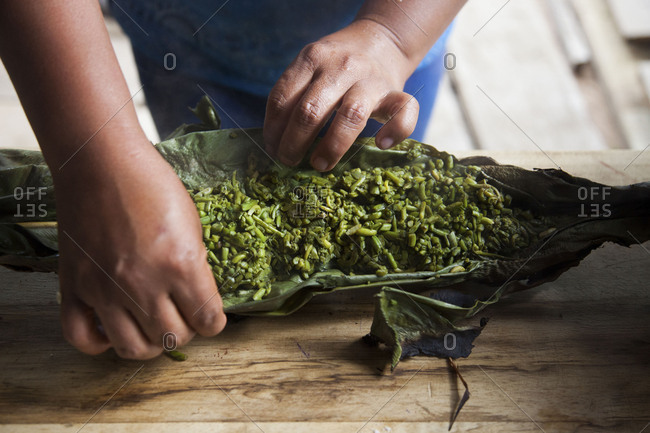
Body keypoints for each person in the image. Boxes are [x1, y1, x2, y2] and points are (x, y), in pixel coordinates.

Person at [0, 1, 464, 360]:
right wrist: (96, 163)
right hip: (187, 34)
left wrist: (391, 36)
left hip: (386, 44)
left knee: (374, 169)